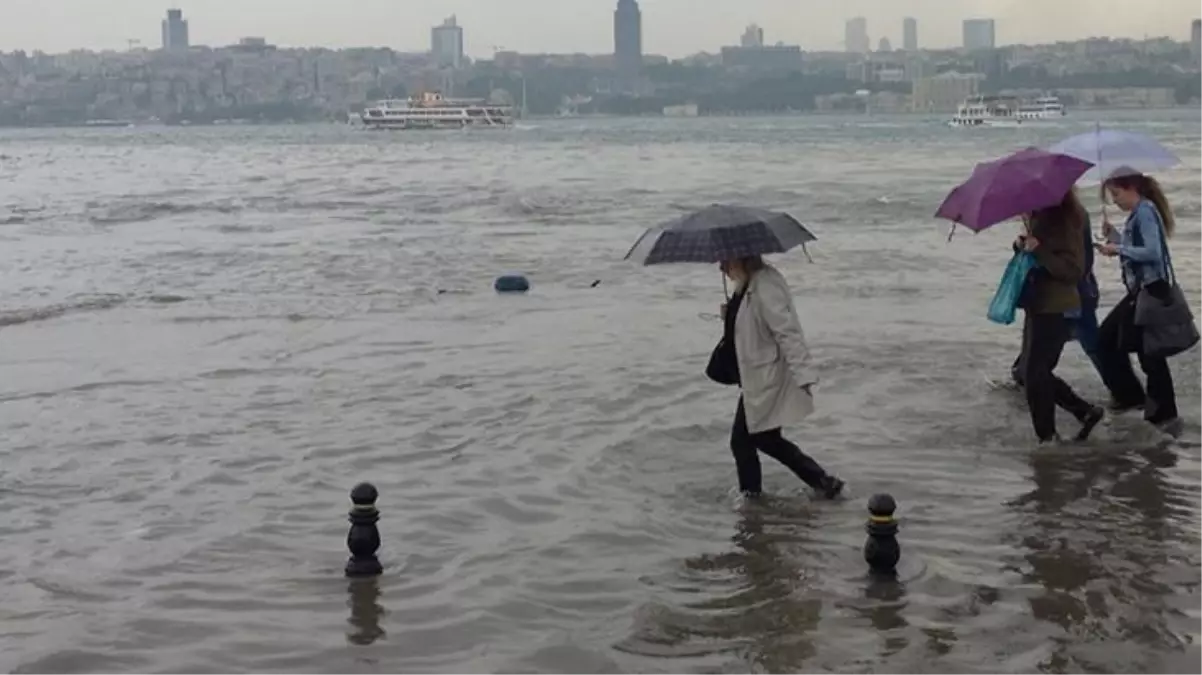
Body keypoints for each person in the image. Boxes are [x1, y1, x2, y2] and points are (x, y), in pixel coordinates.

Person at [717, 255, 844, 499]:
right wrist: (729, 317)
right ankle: (823, 483)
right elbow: (751, 327)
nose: (721, 268)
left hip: (768, 377)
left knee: (750, 440)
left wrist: (804, 374)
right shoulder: (746, 286)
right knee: (761, 439)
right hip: (757, 378)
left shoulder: (765, 286)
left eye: (725, 261)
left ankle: (754, 498)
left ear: (741, 259)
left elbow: (788, 332)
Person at [1093, 169, 1182, 436]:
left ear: (1132, 188)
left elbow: (1153, 253)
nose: (1115, 201)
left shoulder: (1144, 211)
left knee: (1140, 350)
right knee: (1137, 349)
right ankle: (1149, 407)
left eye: (1117, 194)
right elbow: (1141, 247)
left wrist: (1118, 249)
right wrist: (1115, 237)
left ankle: (1154, 410)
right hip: (1143, 291)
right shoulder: (1141, 212)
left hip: (1151, 290)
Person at [1013, 191, 1105, 444]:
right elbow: (1039, 258)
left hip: (1057, 306)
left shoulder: (1066, 218)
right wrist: (1023, 246)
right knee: (1032, 372)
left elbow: (1074, 269)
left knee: (1035, 373)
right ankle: (1082, 413)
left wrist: (1038, 249)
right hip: (1038, 303)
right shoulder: (1041, 216)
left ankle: (1049, 438)